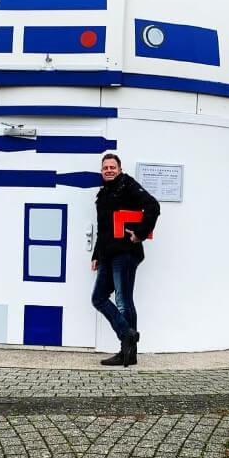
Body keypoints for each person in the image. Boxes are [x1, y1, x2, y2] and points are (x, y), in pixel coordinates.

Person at [91, 153, 160, 367]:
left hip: (126, 253)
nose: (109, 170)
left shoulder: (127, 185)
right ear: (102, 171)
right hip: (107, 254)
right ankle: (128, 335)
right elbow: (103, 230)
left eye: (112, 167)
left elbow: (152, 206)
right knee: (98, 298)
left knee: (123, 300)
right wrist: (96, 255)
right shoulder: (103, 195)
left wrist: (139, 233)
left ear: (119, 169)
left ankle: (127, 351)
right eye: (105, 168)